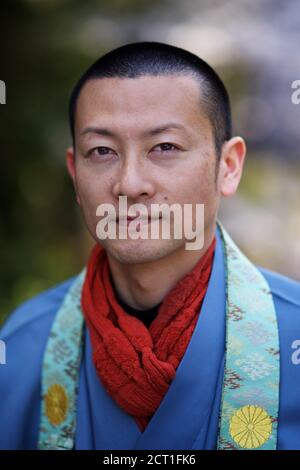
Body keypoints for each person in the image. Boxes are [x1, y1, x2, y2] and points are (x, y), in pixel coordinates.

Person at [0, 42, 300, 451]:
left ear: (227, 167)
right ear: (75, 175)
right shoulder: (20, 350)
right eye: (102, 151)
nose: (129, 184)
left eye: (165, 147)